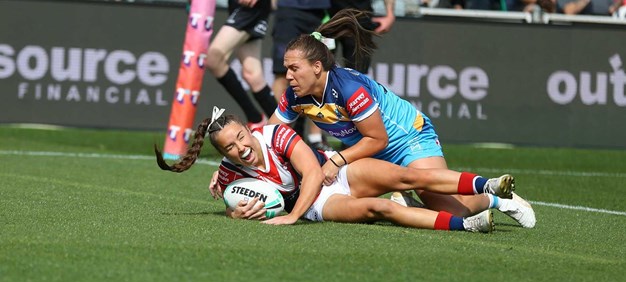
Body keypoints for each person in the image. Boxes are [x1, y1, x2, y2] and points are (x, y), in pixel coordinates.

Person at [268, 9, 536, 228]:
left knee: (452, 208)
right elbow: (269, 135)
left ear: (317, 67)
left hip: (408, 138)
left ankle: (498, 201)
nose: (287, 75)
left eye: (294, 68)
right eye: (287, 68)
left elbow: (378, 138)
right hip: (370, 151)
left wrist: (336, 161)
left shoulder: (348, 88)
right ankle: (411, 204)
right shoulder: (295, 95)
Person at [156, 109, 521, 232]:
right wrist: (237, 213)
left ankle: (488, 187)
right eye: (230, 148)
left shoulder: (275, 133)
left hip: (333, 172)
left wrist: (289, 217)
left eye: (241, 138)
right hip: (318, 206)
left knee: (406, 175)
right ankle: (469, 223)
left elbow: (312, 175)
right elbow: (232, 203)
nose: (241, 149)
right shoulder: (227, 173)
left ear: (250, 129)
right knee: (382, 209)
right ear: (223, 154)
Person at [270, 0, 333, 151]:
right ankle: (280, 135)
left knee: (320, 73)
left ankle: (315, 138)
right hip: (288, 10)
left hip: (321, 12)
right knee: (282, 73)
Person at [205, 0, 276, 130]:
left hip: (252, 7)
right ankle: (289, 131)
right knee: (252, 74)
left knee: (213, 58)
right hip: (239, 6)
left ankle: (255, 118)